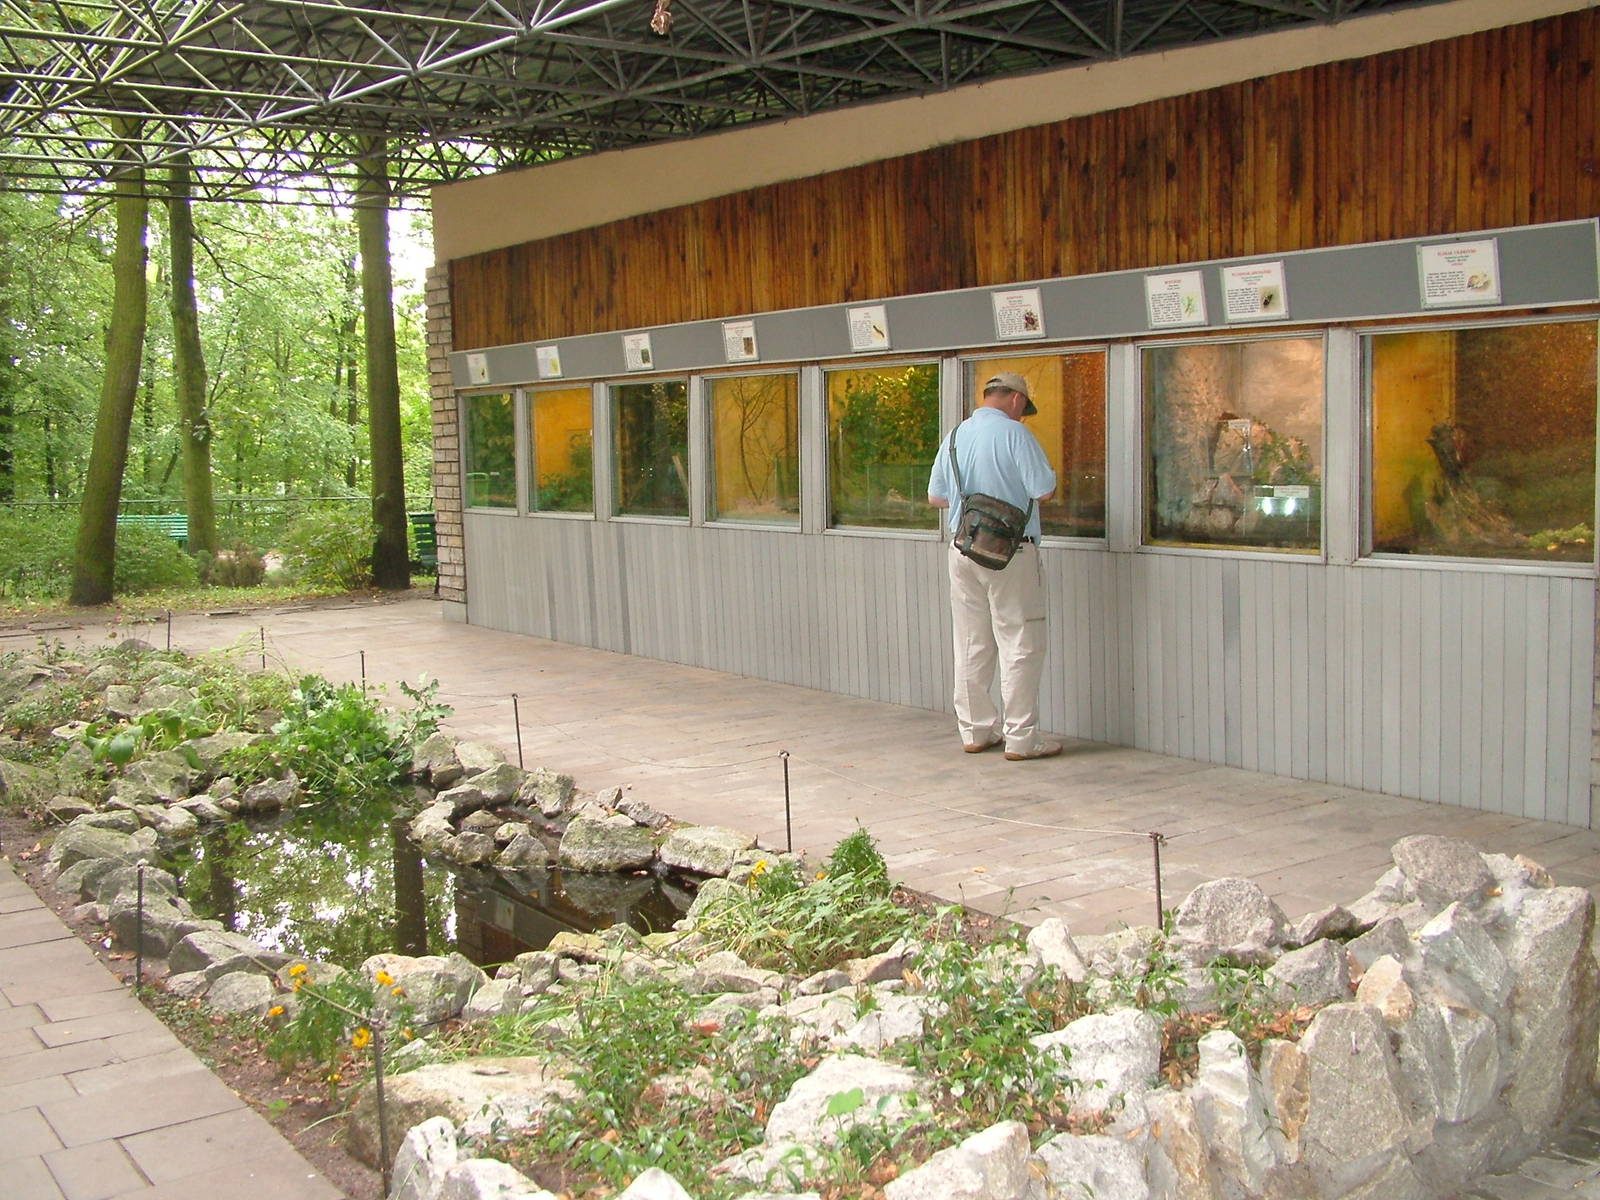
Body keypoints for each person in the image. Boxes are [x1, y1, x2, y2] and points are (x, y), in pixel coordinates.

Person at [927, 372, 1061, 760]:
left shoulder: (954, 436)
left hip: (963, 550)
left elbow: (936, 497)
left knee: (971, 642)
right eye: (1024, 409)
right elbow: (1044, 489)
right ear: (1016, 400)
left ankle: (975, 732)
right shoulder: (1017, 435)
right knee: (1020, 641)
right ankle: (1021, 739)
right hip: (1011, 553)